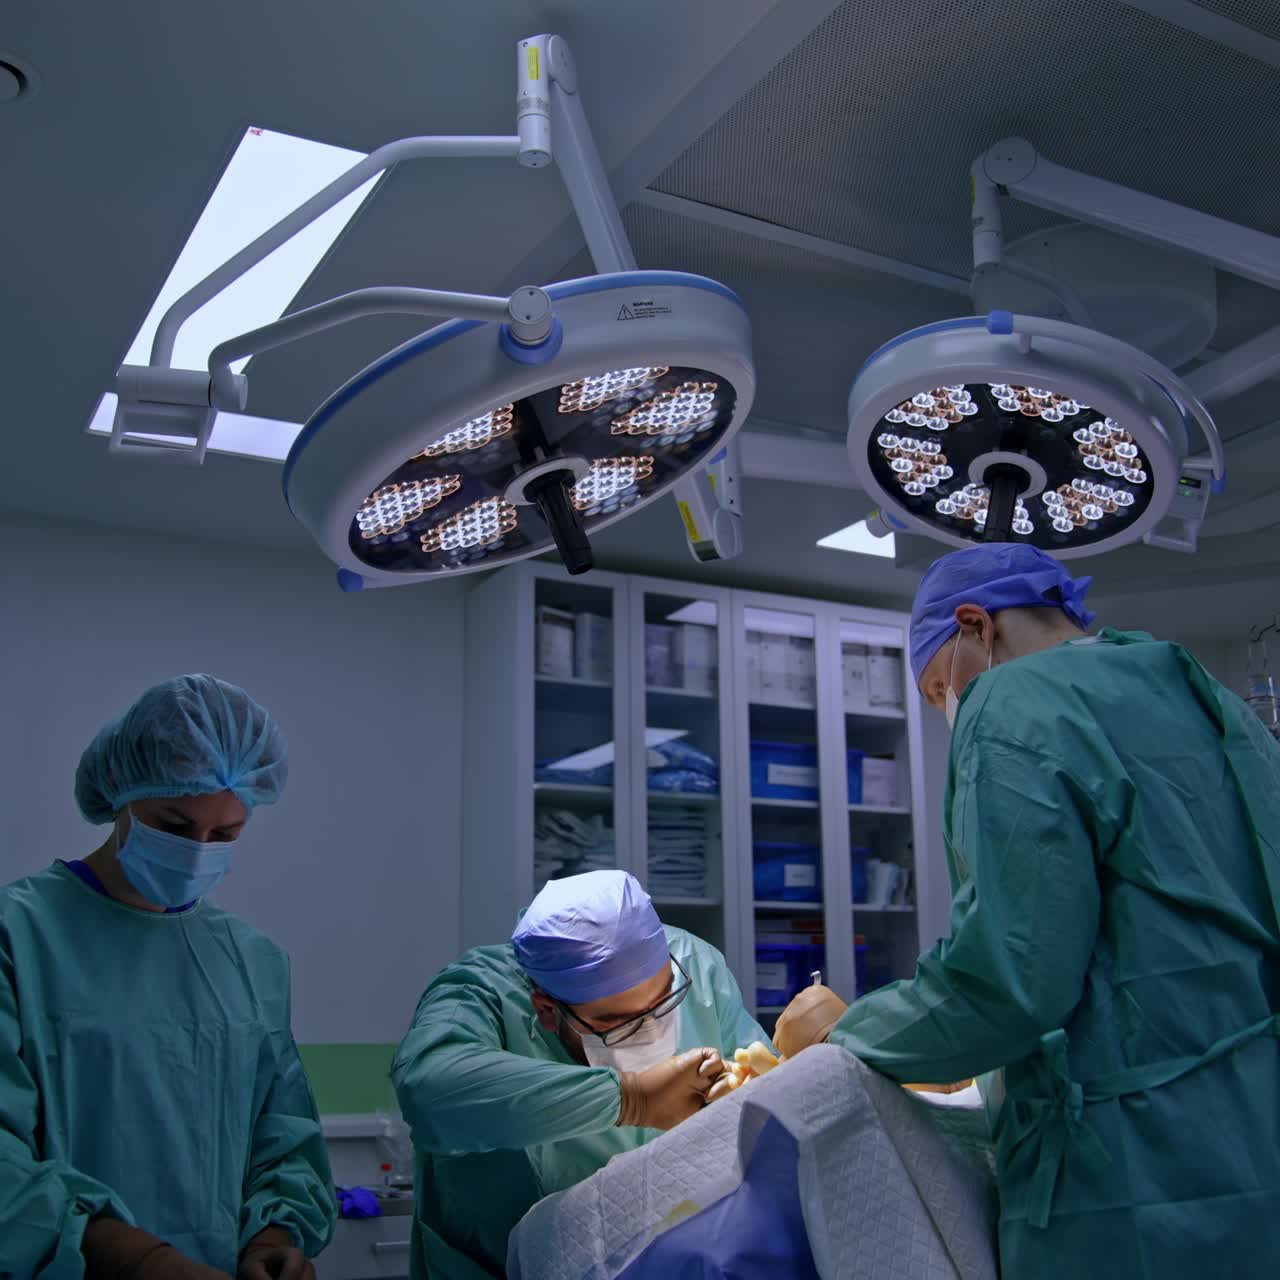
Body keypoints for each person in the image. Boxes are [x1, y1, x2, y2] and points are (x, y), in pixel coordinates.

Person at [777, 543, 1280, 1277]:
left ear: (976, 626)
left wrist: (843, 1035)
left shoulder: (1013, 703)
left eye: (937, 689)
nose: (950, 708)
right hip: (1258, 1149)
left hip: (1131, 1177)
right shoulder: (1202, 691)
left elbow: (1009, 983)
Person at [0, 675, 336, 1279]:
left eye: (225, 835)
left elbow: (281, 1133)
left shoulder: (251, 960)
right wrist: (139, 1261)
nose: (199, 849)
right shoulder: (17, 937)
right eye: (175, 827)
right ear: (121, 795)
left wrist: (273, 1238)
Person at [392, 869, 768, 1279]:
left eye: (664, 1003)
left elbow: (767, 1104)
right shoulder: (483, 991)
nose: (653, 1029)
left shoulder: (695, 964)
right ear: (547, 1010)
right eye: (615, 1022)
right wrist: (632, 1098)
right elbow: (431, 1088)